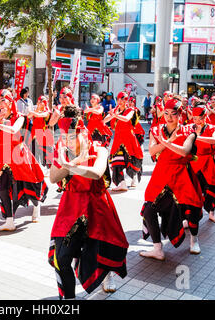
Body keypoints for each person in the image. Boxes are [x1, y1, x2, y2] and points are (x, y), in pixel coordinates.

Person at [48, 105, 128, 299]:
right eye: (64, 136)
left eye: (72, 136)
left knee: (101, 250)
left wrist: (71, 166)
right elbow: (53, 177)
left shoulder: (99, 149)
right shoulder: (62, 150)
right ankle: (68, 299)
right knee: (62, 258)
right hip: (71, 208)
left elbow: (96, 173)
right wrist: (72, 163)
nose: (68, 140)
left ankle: (107, 274)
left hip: (97, 207)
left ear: (83, 131)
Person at [140, 98, 203, 260]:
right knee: (149, 209)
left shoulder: (190, 129)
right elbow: (152, 151)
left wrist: (165, 142)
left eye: (173, 114)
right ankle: (157, 248)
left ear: (180, 114)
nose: (168, 117)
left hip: (182, 175)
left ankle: (194, 240)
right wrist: (168, 141)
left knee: (192, 209)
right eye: (166, 113)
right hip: (161, 175)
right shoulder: (156, 129)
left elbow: (184, 151)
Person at [0, 89, 48, 230]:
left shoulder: (19, 117)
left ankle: (36, 207)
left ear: (10, 101)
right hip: (3, 156)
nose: (1, 104)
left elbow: (13, 130)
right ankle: (9, 221)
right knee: (2, 188)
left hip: (18, 155)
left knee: (28, 185)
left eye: (4, 100)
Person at [188, 104, 215, 224]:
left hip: (208, 163)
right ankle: (189, 218)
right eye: (195, 118)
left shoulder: (213, 128)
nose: (197, 121)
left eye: (200, 118)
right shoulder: (188, 128)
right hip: (193, 163)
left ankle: (212, 213)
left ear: (205, 117)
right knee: (191, 190)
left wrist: (196, 137)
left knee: (214, 186)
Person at [104, 91, 143, 190]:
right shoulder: (115, 110)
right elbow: (104, 120)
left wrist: (115, 115)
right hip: (118, 139)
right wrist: (113, 115)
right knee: (117, 161)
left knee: (131, 160)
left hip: (129, 139)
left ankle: (134, 178)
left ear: (127, 100)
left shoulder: (131, 110)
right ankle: (122, 182)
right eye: (118, 99)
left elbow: (126, 119)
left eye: (123, 99)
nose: (120, 101)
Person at [27, 95, 54, 168]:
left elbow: (39, 115)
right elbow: (28, 116)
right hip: (34, 135)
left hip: (43, 136)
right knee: (33, 155)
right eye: (38, 102)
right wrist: (34, 111)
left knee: (44, 156)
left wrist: (33, 111)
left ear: (44, 103)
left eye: (40, 102)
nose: (38, 103)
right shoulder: (36, 111)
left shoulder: (47, 112)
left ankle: (45, 170)